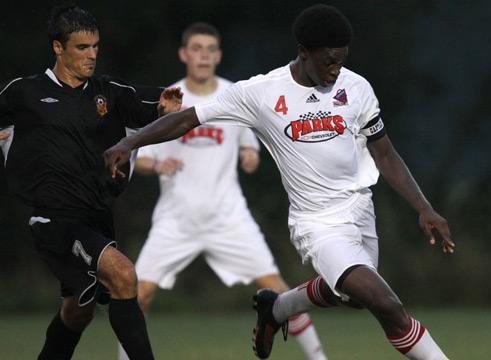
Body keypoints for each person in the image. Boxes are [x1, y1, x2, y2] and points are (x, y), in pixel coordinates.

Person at [104, 4, 456, 360]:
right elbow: (187, 119)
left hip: (361, 211)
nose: (336, 70)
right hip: (317, 223)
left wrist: (424, 208)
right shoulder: (261, 93)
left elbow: (385, 153)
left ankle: (277, 309)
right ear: (303, 52)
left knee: (351, 298)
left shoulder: (356, 87)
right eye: (328, 61)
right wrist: (129, 142)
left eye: (341, 61)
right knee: (388, 305)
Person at [116, 22, 327, 360]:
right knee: (138, 294)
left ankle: (320, 357)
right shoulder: (167, 98)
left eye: (210, 49)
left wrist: (249, 156)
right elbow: (141, 158)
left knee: (278, 290)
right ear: (185, 54)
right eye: (197, 49)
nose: (204, 55)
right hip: (176, 217)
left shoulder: (236, 94)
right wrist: (156, 165)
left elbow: (251, 150)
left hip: (227, 215)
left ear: (218, 55)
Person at [0, 5, 182, 360]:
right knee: (123, 275)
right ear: (58, 47)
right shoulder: (24, 92)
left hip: (97, 217)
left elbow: (154, 107)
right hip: (52, 218)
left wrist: (166, 108)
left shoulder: (109, 93)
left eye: (95, 47)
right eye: (82, 48)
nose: (92, 55)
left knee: (78, 312)